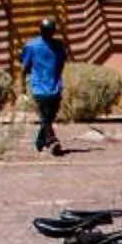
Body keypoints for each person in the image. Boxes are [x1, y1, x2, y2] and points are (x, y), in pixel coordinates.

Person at [18, 16, 71, 156]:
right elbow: (24, 68)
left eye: (51, 31)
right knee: (45, 116)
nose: (49, 33)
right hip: (39, 87)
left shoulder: (58, 46)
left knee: (50, 116)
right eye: (46, 30)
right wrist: (22, 88)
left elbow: (62, 62)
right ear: (41, 31)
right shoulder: (31, 46)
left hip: (55, 86)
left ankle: (40, 141)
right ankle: (52, 140)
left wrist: (58, 79)